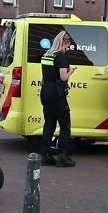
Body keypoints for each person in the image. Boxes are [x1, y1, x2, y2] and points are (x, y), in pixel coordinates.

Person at [39, 31, 76, 167]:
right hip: (57, 93)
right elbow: (63, 77)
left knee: (49, 124)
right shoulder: (61, 57)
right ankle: (63, 157)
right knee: (65, 125)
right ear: (63, 43)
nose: (67, 49)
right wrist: (70, 71)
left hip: (46, 92)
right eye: (67, 46)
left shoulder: (47, 55)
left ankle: (45, 155)